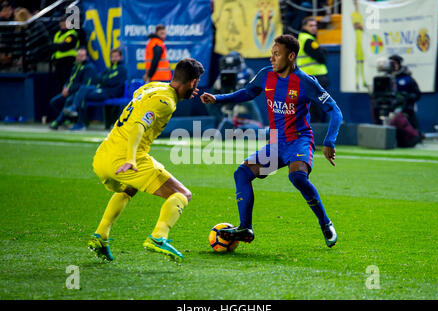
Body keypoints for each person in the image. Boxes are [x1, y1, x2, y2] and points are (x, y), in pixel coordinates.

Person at [200, 34, 343, 248]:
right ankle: (245, 227)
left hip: (298, 141)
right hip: (276, 143)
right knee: (241, 174)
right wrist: (218, 98)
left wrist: (330, 141)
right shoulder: (265, 75)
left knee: (297, 177)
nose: (272, 58)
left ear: (291, 56)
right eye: (271, 54)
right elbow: (247, 93)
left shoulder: (306, 82)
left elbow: (335, 111)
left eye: (276, 54)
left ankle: (325, 223)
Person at [88, 58, 204, 262]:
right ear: (193, 82)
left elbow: (137, 104)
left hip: (103, 155)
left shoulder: (153, 87)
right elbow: (139, 126)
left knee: (129, 188)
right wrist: (132, 159)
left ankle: (101, 235)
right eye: (196, 83)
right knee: (182, 194)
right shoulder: (165, 102)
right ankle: (159, 236)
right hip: (125, 159)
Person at [64, 48, 127, 131]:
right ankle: (77, 117)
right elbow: (97, 78)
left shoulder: (122, 69)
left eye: (116, 56)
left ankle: (76, 115)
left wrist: (104, 80)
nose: (114, 58)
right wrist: (104, 80)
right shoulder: (109, 69)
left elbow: (111, 81)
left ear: (120, 57)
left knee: (83, 94)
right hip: (103, 90)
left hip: (111, 92)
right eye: (112, 57)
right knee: (83, 89)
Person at [49, 47, 96, 129]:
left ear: (86, 57)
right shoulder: (75, 67)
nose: (79, 58)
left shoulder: (89, 67)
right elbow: (70, 80)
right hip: (69, 91)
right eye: (78, 55)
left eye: (82, 56)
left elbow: (84, 85)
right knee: (54, 102)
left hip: (78, 93)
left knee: (69, 100)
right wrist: (65, 87)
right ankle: (66, 119)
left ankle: (58, 122)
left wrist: (70, 90)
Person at [297, 17, 329, 122]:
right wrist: (323, 51)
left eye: (315, 25)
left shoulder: (301, 38)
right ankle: (318, 131)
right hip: (315, 78)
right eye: (310, 25)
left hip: (307, 78)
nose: (314, 28)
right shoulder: (308, 40)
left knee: (311, 107)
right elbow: (321, 57)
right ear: (304, 27)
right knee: (317, 108)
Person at [389, 54, 422, 130]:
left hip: (406, 108)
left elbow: (417, 94)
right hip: (390, 108)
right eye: (392, 64)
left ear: (399, 64)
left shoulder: (407, 78)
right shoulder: (386, 78)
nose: (394, 66)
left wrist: (407, 97)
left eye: (395, 63)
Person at [52, 15, 80, 92]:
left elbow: (64, 46)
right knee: (59, 83)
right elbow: (53, 46)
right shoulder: (57, 34)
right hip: (58, 62)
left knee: (67, 81)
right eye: (61, 23)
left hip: (69, 61)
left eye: (64, 23)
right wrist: (59, 45)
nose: (62, 25)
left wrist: (58, 46)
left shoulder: (71, 33)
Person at [352, 0, 368, 91]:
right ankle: (357, 82)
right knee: (358, 63)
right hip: (357, 41)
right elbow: (357, 26)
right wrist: (360, 26)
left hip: (362, 41)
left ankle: (363, 81)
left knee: (362, 62)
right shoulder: (354, 15)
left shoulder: (362, 15)